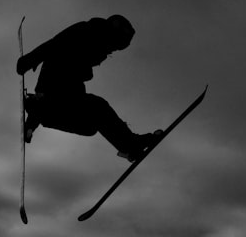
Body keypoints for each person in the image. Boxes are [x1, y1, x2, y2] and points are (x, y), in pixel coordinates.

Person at [16, 14, 160, 161]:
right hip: (54, 89)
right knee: (98, 108)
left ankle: (40, 110)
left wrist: (31, 124)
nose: (110, 52)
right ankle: (131, 145)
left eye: (115, 49)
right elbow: (55, 43)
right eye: (113, 47)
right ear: (111, 35)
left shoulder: (97, 43)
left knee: (89, 127)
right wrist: (29, 60)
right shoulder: (86, 32)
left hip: (61, 94)